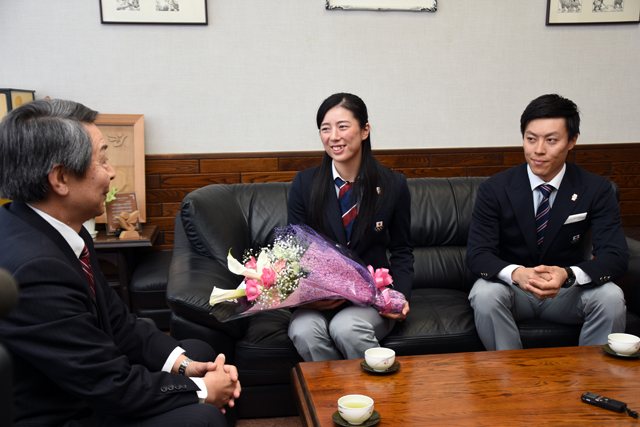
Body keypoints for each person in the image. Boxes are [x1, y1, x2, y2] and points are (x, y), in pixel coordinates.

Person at [0, 99, 241, 426]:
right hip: (63, 412)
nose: (112, 172)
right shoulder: (35, 269)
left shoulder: (54, 229)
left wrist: (184, 366)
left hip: (87, 381)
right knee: (203, 417)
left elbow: (118, 321)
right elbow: (108, 384)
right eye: (102, 159)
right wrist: (201, 389)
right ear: (60, 179)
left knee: (199, 350)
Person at [466, 94, 628, 351]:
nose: (538, 150)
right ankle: (509, 378)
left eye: (551, 140)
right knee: (484, 293)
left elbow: (616, 255)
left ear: (572, 141)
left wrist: (568, 275)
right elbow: (477, 254)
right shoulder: (495, 189)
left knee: (611, 296)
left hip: (567, 291)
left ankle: (592, 382)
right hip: (514, 291)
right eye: (531, 139)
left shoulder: (595, 188)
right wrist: (517, 273)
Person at [287, 93, 414, 361]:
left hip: (370, 299)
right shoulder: (304, 184)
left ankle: (374, 399)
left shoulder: (393, 185)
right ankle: (334, 399)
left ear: (365, 130)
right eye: (325, 128)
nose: (334, 136)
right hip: (319, 300)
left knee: (346, 328)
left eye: (342, 126)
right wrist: (308, 298)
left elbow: (402, 249)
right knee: (303, 330)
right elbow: (293, 254)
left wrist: (398, 296)